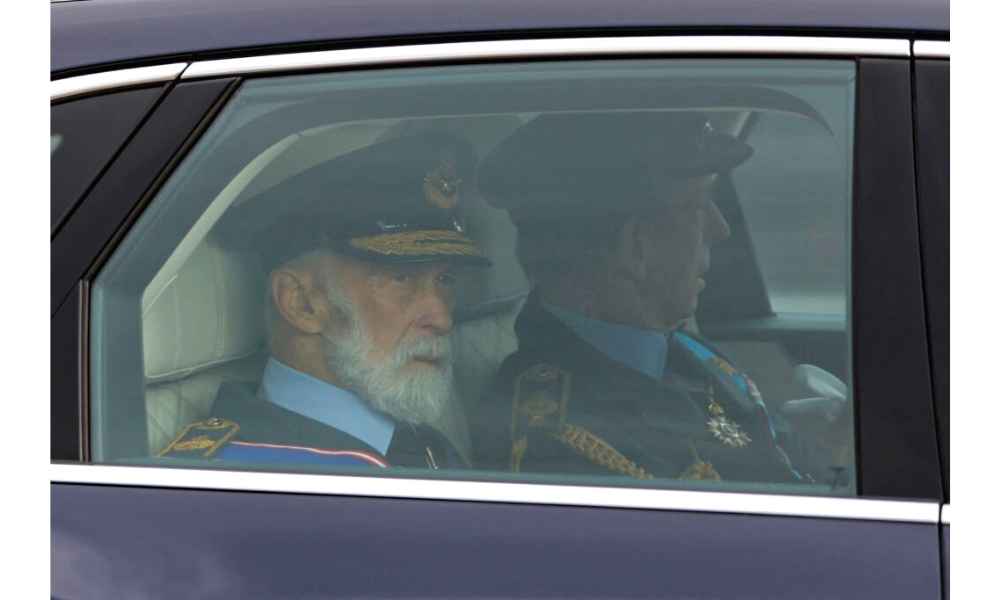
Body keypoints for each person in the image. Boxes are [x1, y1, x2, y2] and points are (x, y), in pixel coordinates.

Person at [472, 111, 809, 483]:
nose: (720, 228)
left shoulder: (688, 354)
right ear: (636, 247)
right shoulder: (559, 436)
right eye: (697, 208)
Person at [160, 133, 489, 470]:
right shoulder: (245, 480)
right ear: (300, 303)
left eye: (445, 280)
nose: (442, 318)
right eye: (400, 278)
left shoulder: (413, 442)